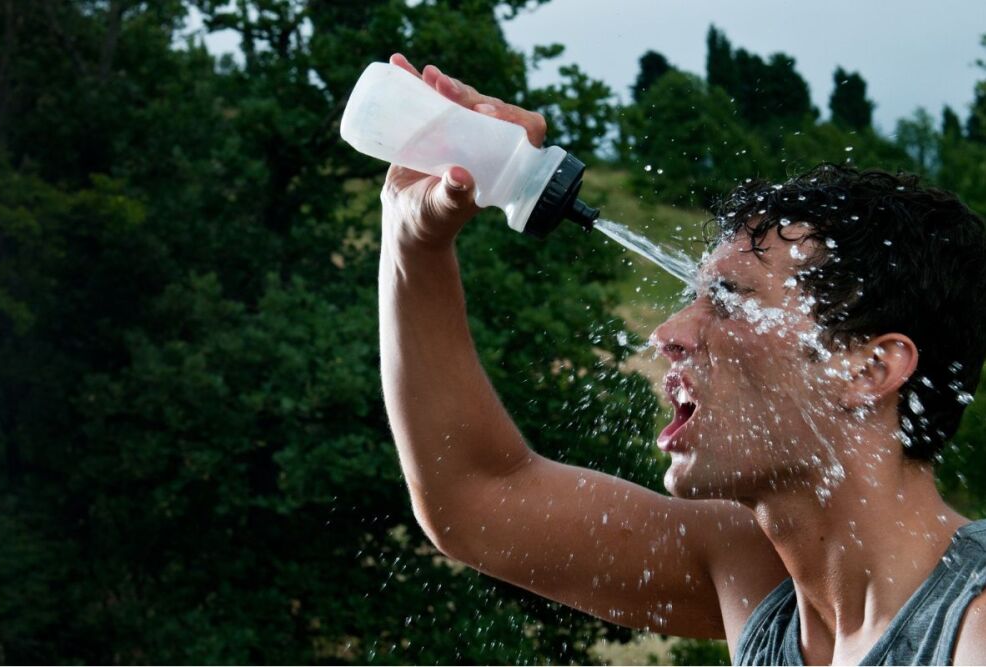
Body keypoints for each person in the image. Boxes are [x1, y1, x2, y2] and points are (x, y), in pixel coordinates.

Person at [377, 54, 986, 665]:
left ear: (868, 369)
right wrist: (414, 243)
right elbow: (477, 496)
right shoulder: (755, 574)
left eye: (729, 299)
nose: (668, 333)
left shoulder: (972, 631)